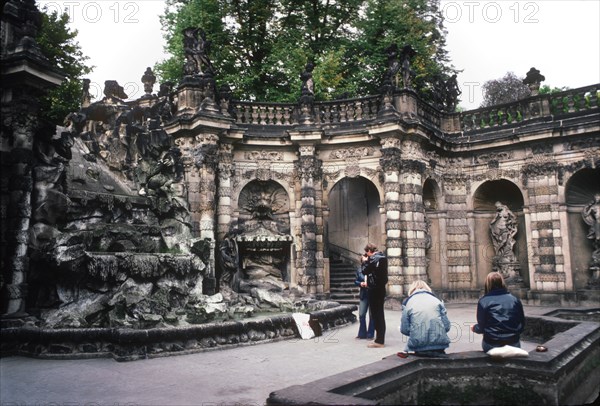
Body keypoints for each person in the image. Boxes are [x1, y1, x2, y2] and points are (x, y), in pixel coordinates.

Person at [472, 272, 525, 352]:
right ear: (502, 282)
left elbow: (481, 327)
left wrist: (474, 328)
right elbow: (521, 323)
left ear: (487, 284)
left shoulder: (483, 301)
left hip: (492, 344)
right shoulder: (514, 300)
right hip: (513, 343)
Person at [399, 280, 451, 357]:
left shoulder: (407, 303)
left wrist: (416, 331)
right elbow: (446, 327)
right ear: (427, 288)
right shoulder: (437, 301)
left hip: (418, 345)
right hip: (439, 344)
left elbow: (404, 330)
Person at [360, 243, 388, 348]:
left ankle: (379, 341)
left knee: (376, 315)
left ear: (369, 251)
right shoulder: (383, 257)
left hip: (374, 289)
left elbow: (365, 271)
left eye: (366, 253)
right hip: (381, 289)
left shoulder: (373, 259)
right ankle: (380, 338)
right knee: (380, 314)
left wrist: (364, 261)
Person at [354, 266, 374, 339]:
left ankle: (370, 334)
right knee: (361, 314)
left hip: (372, 294)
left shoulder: (373, 268)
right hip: (363, 294)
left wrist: (370, 283)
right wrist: (360, 283)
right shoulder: (359, 269)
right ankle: (362, 333)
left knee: (372, 315)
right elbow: (356, 281)